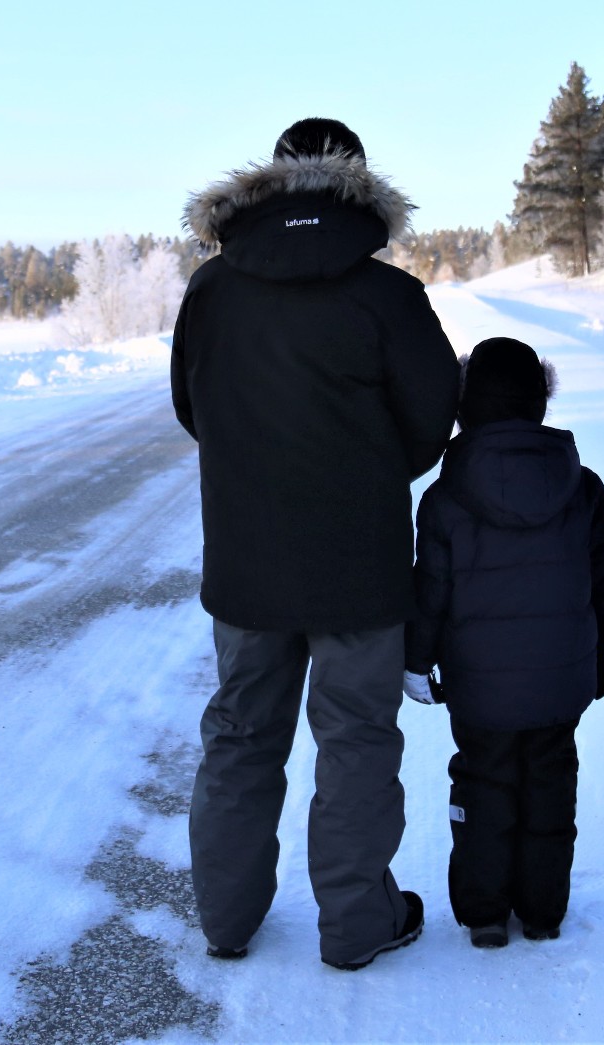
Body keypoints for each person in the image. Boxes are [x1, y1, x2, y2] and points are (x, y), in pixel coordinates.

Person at [172, 118, 460, 970]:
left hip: (246, 558)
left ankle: (226, 919)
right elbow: (430, 419)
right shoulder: (388, 296)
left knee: (240, 734)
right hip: (358, 564)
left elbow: (194, 409)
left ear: (272, 178)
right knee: (356, 738)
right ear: (356, 186)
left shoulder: (213, 290)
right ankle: (356, 921)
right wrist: (370, 474)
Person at [404, 336, 604, 948]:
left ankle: (483, 915)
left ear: (464, 407)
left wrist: (416, 660)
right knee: (551, 783)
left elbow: (431, 588)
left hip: (480, 685)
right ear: (540, 402)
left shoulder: (448, 497)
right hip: (561, 679)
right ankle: (542, 912)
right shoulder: (579, 486)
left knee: (485, 783)